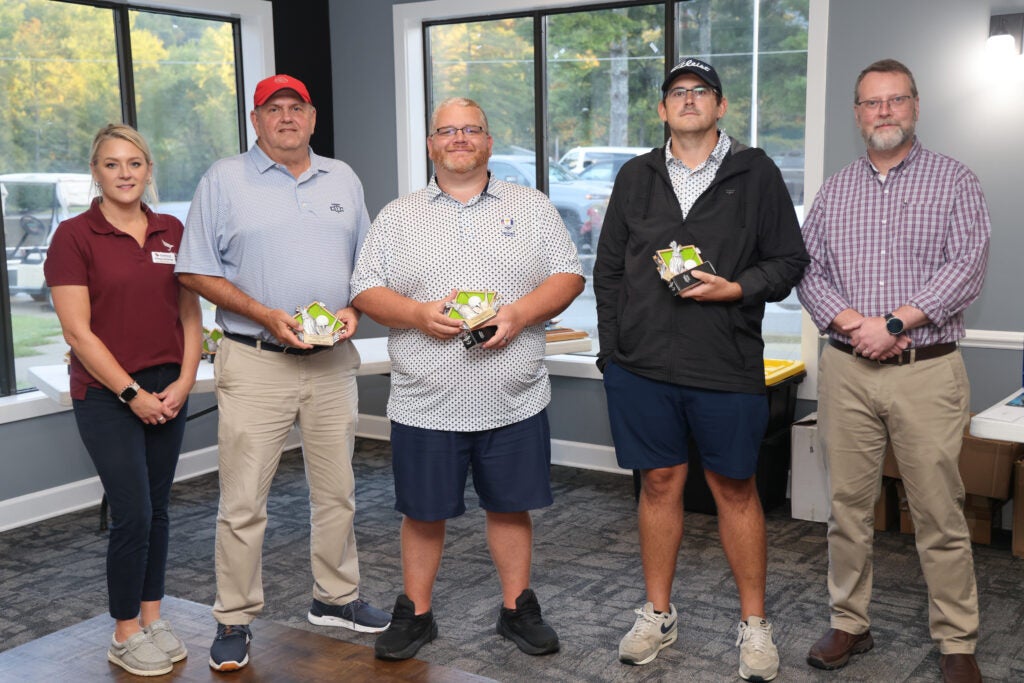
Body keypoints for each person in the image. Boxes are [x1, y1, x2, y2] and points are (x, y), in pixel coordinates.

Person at [593, 58, 809, 681]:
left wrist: (736, 288)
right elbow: (608, 271)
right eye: (677, 93)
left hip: (725, 362)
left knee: (735, 490)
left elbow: (789, 261)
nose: (689, 100)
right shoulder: (635, 176)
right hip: (642, 367)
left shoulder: (756, 172)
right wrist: (612, 355)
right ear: (662, 110)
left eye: (701, 92)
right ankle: (658, 613)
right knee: (658, 484)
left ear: (719, 107)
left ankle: (755, 624)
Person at [350, 97, 584, 661]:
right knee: (423, 512)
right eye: (446, 131)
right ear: (431, 144)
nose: (458, 138)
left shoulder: (531, 207)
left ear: (488, 142)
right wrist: (416, 314)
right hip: (425, 398)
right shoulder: (398, 214)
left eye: (470, 129)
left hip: (512, 395)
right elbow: (364, 289)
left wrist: (519, 314)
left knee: (510, 506)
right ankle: (416, 614)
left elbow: (568, 276)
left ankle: (516, 608)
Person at [174, 74, 390, 672]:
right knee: (244, 501)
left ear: (312, 118)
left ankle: (336, 598)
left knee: (338, 493)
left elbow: (366, 267)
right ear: (257, 120)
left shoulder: (342, 177)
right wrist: (265, 314)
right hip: (256, 360)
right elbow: (194, 270)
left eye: (297, 108)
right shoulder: (224, 179)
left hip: (330, 364)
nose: (287, 117)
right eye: (275, 109)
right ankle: (234, 618)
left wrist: (353, 308)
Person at [796, 59, 989, 683]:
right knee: (847, 508)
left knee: (939, 511)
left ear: (915, 106)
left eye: (895, 100)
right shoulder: (836, 189)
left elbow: (967, 266)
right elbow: (808, 269)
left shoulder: (955, 180)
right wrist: (852, 323)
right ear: (857, 113)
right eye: (871, 102)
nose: (884, 111)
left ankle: (957, 640)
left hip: (926, 371)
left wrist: (896, 323)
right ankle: (849, 622)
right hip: (846, 371)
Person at [44, 123, 202, 676]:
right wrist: (132, 393)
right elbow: (78, 334)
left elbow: (188, 314)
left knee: (158, 509)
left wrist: (185, 381)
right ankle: (124, 630)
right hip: (107, 392)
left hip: (168, 386)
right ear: (96, 172)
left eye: (134, 164)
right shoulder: (74, 236)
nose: (125, 174)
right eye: (112, 164)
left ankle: (152, 617)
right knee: (131, 510)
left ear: (148, 170)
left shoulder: (171, 229)